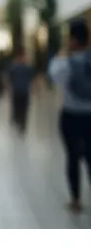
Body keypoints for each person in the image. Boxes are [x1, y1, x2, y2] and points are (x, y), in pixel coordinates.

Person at [49, 19, 91, 214]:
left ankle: (76, 200)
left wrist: (63, 54)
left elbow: (54, 76)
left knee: (72, 158)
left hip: (71, 115)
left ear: (72, 39)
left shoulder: (65, 62)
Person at [7, 50, 35, 134]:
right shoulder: (14, 67)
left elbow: (32, 78)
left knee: (23, 108)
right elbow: (9, 78)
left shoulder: (27, 67)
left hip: (24, 91)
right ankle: (18, 121)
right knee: (18, 108)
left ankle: (22, 123)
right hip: (17, 91)